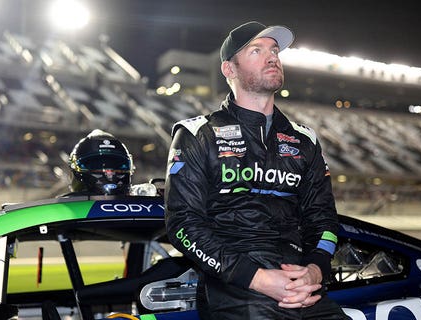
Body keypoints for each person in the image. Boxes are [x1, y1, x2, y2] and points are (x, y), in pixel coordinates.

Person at [164, 21, 348, 319]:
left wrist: (316, 269)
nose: (272, 56)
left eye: (274, 50)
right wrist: (257, 278)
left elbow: (323, 219)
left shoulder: (304, 140)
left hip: (301, 284)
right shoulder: (198, 134)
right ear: (229, 69)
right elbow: (183, 225)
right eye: (256, 50)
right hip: (235, 285)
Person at [66, 129, 134, 196]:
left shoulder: (141, 199)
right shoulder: (61, 205)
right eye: (96, 166)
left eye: (116, 166)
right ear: (74, 168)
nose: (109, 173)